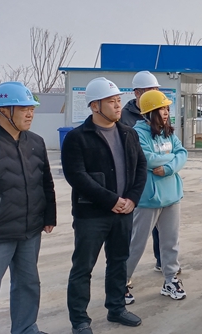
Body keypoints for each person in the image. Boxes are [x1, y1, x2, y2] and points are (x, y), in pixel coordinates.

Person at [62, 77, 147, 333]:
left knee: (119, 262)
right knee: (83, 267)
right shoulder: (77, 137)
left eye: (119, 100)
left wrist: (132, 199)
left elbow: (140, 167)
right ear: (95, 106)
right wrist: (112, 200)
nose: (118, 105)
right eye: (111, 101)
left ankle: (116, 308)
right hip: (91, 215)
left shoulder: (129, 133)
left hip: (124, 212)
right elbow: (77, 176)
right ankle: (79, 320)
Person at [0, 81, 56, 334]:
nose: (30, 114)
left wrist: (48, 216)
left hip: (30, 231)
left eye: (31, 109)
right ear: (3, 111)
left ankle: (26, 328)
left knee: (28, 284)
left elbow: (46, 182)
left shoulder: (36, 142)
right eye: (23, 109)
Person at [126, 90, 188, 305]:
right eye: (161, 109)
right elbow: (146, 158)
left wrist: (169, 167)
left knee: (171, 242)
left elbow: (182, 153)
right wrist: (171, 158)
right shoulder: (138, 133)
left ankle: (171, 280)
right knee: (137, 243)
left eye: (167, 108)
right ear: (149, 112)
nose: (166, 112)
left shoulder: (168, 132)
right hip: (148, 198)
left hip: (172, 195)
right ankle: (122, 281)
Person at [119, 71, 167, 275]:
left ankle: (162, 261)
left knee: (162, 229)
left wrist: (168, 162)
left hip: (160, 180)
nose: (154, 94)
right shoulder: (124, 117)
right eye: (149, 90)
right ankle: (123, 272)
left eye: (156, 90)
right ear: (137, 93)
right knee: (136, 230)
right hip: (135, 181)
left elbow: (172, 146)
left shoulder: (159, 113)